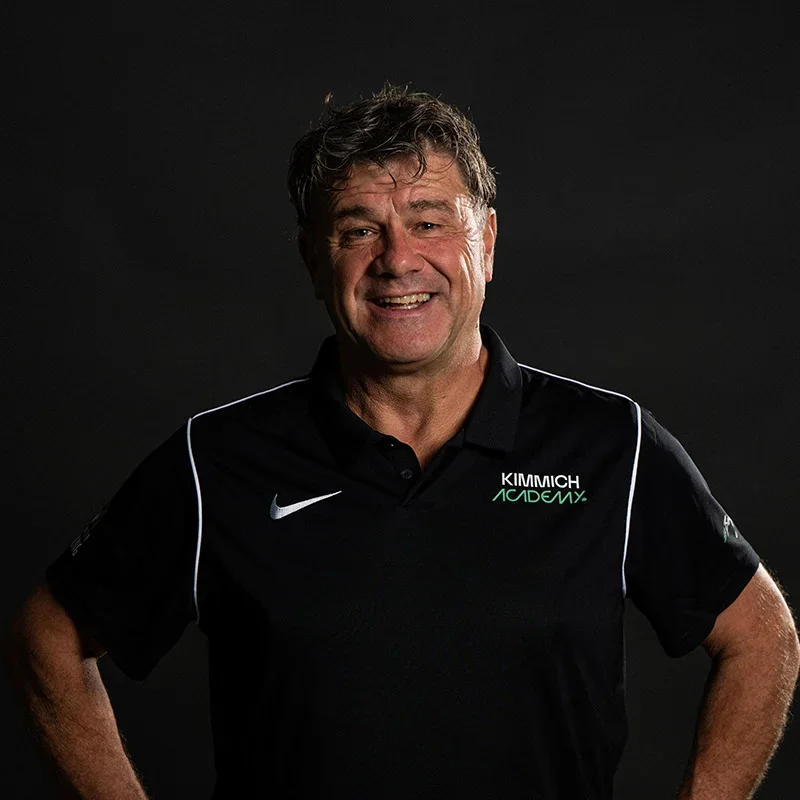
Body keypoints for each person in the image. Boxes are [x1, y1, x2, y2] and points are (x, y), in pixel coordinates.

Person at [5, 85, 799, 799]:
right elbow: (50, 633)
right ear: (314, 261)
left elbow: (762, 637)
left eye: (428, 222)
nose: (397, 260)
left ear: (486, 242)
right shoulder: (216, 460)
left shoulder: (610, 447)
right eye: (358, 230)